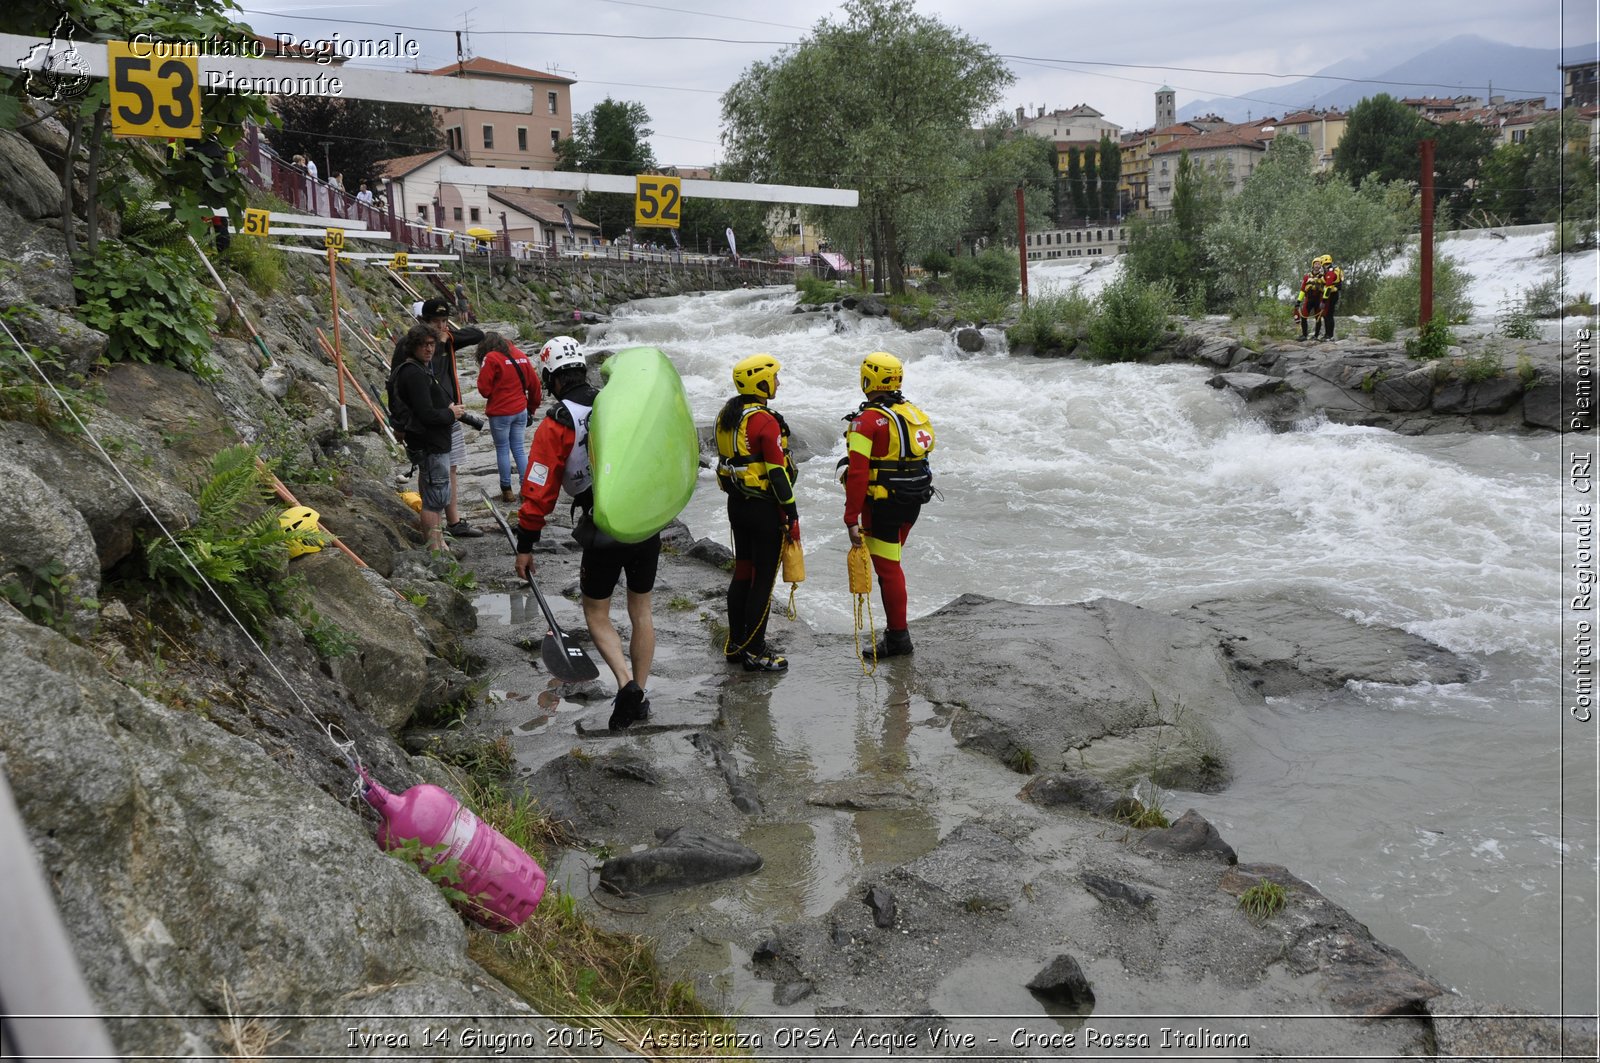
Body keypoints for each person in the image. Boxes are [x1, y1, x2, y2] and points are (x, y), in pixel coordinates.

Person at [515, 336, 658, 731]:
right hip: (644, 518)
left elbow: (538, 489)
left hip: (602, 525)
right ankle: (640, 696)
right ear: (584, 368)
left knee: (596, 613)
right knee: (641, 610)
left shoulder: (557, 421)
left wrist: (526, 544)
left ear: (551, 378)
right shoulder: (617, 403)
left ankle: (626, 685)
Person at [840, 351, 935, 658]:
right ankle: (897, 634)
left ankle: (898, 639)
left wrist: (850, 517)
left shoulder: (865, 421)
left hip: (883, 504)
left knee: (888, 569)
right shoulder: (911, 412)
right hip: (912, 500)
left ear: (868, 380)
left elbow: (857, 474)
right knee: (892, 563)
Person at [715, 353, 800, 672]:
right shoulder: (764, 420)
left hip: (737, 505)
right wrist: (791, 513)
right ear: (759, 382)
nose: (778, 382)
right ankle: (757, 649)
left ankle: (737, 644)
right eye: (775, 377)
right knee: (762, 580)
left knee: (743, 573)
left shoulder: (728, 413)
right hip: (764, 509)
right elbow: (777, 474)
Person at [392, 298, 486, 538]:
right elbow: (395, 386)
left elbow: (478, 334)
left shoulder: (447, 339)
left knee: (449, 468)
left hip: (449, 415)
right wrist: (398, 423)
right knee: (433, 470)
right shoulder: (408, 347)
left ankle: (452, 523)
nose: (441, 327)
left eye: (445, 321)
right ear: (423, 321)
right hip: (426, 421)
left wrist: (449, 336)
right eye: (437, 322)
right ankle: (437, 532)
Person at [388, 324, 468, 552]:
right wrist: (451, 413)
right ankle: (435, 549)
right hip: (431, 444)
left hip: (429, 443)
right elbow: (427, 415)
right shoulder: (414, 374)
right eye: (424, 345)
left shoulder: (418, 369)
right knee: (434, 499)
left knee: (434, 494)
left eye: (432, 344)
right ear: (413, 347)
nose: (429, 349)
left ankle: (439, 543)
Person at [476, 332, 541, 503]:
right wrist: (531, 409)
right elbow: (535, 385)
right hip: (520, 410)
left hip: (500, 413)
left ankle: (507, 491)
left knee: (503, 450)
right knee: (519, 449)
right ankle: (527, 489)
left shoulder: (491, 358)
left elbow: (484, 390)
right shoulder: (520, 355)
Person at [1316, 254, 1344, 341]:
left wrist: (1323, 301)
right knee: (1327, 315)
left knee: (1328, 315)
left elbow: (1328, 287)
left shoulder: (1331, 271)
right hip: (1331, 294)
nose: (1321, 265)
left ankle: (1329, 335)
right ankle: (1327, 334)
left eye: (1321, 263)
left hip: (1331, 295)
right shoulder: (1332, 270)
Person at [1295, 267, 1325, 341]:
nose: (1317, 265)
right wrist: (1298, 301)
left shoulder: (1323, 276)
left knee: (1318, 318)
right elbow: (1302, 290)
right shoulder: (1307, 277)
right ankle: (1304, 335)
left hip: (1318, 299)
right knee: (1304, 316)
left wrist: (1325, 301)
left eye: (1319, 264)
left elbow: (1327, 288)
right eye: (1316, 264)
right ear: (1313, 265)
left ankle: (1316, 336)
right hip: (1308, 299)